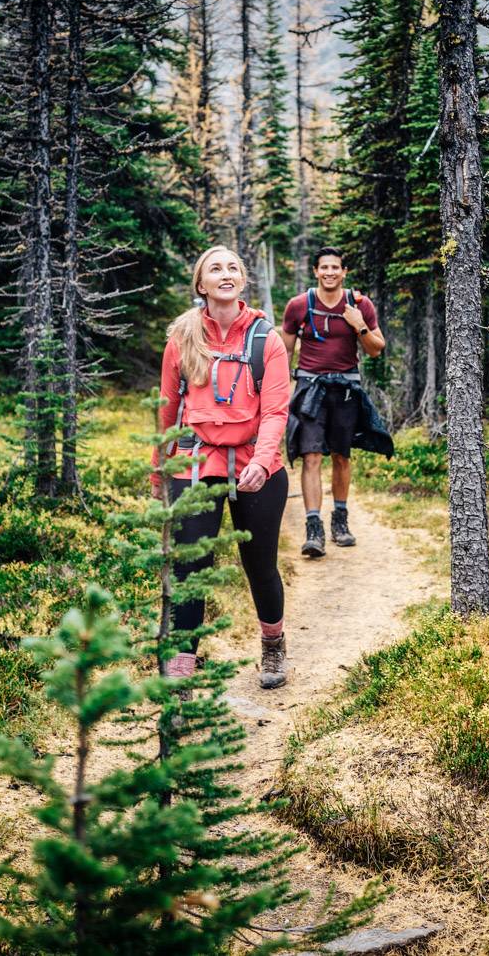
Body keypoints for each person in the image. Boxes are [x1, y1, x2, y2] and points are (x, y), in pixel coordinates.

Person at [150, 246, 292, 689]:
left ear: (243, 281)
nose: (225, 273)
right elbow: (167, 407)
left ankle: (273, 646)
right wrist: (159, 472)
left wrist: (264, 461)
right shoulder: (182, 338)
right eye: (215, 268)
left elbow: (274, 412)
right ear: (202, 285)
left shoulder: (266, 339)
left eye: (233, 267)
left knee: (260, 565)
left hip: (255, 463)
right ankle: (181, 666)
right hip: (194, 463)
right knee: (190, 568)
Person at [280, 247, 393, 557]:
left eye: (335, 267)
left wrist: (359, 324)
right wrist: (278, 391)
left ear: (344, 272)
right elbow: (283, 352)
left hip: (345, 389)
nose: (329, 272)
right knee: (311, 456)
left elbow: (375, 348)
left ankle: (340, 522)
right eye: (324, 267)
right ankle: (313, 529)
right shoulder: (299, 306)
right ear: (315, 271)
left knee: (342, 456)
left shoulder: (359, 304)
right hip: (310, 389)